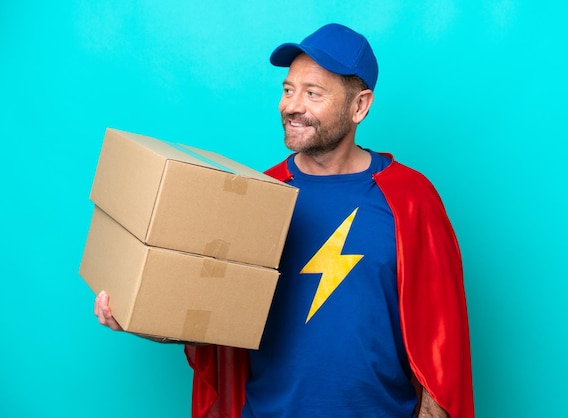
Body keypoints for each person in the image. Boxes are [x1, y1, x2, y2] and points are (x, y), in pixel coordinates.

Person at [95, 23, 474, 418]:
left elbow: (442, 348)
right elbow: (210, 323)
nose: (292, 106)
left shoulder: (411, 198)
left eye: (313, 93)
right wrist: (140, 313)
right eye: (288, 89)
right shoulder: (258, 195)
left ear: (359, 106)